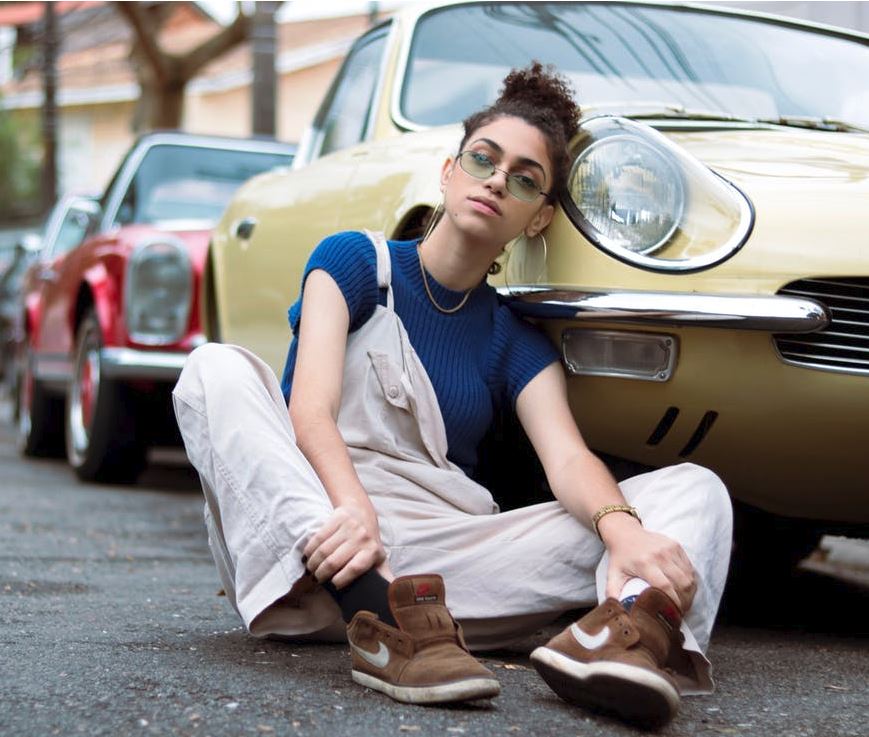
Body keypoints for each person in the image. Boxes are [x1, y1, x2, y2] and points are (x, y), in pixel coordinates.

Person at [172, 63, 733, 728]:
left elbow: (567, 461)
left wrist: (625, 532)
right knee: (213, 369)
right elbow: (308, 409)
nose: (498, 179)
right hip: (314, 536)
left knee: (694, 489)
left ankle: (621, 640)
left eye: (525, 178)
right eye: (483, 159)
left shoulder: (512, 337)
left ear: (537, 218)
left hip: (442, 577)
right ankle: (373, 611)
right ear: (448, 172)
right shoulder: (354, 262)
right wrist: (352, 510)